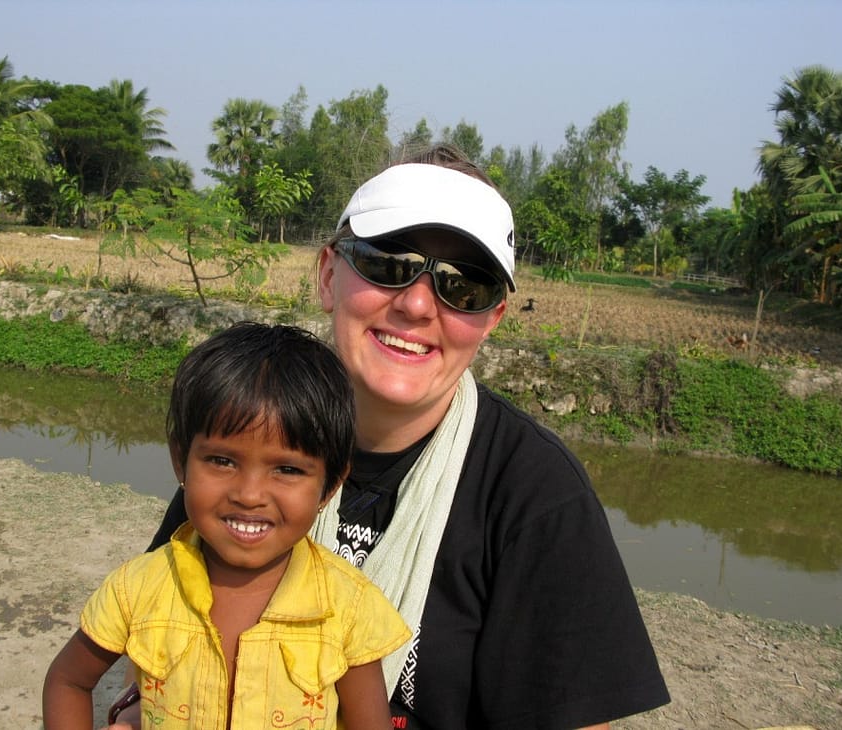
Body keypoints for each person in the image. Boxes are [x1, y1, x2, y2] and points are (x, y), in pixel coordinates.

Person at [124, 144, 671, 729]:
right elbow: (160, 634)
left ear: (492, 318)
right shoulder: (253, 427)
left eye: (464, 286)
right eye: (389, 262)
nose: (416, 304)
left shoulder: (536, 494)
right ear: (328, 274)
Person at [43, 322, 411, 730]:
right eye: (222, 461)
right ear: (180, 460)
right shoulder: (138, 589)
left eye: (287, 469)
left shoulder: (350, 609)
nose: (249, 495)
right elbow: (68, 681)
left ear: (330, 487)